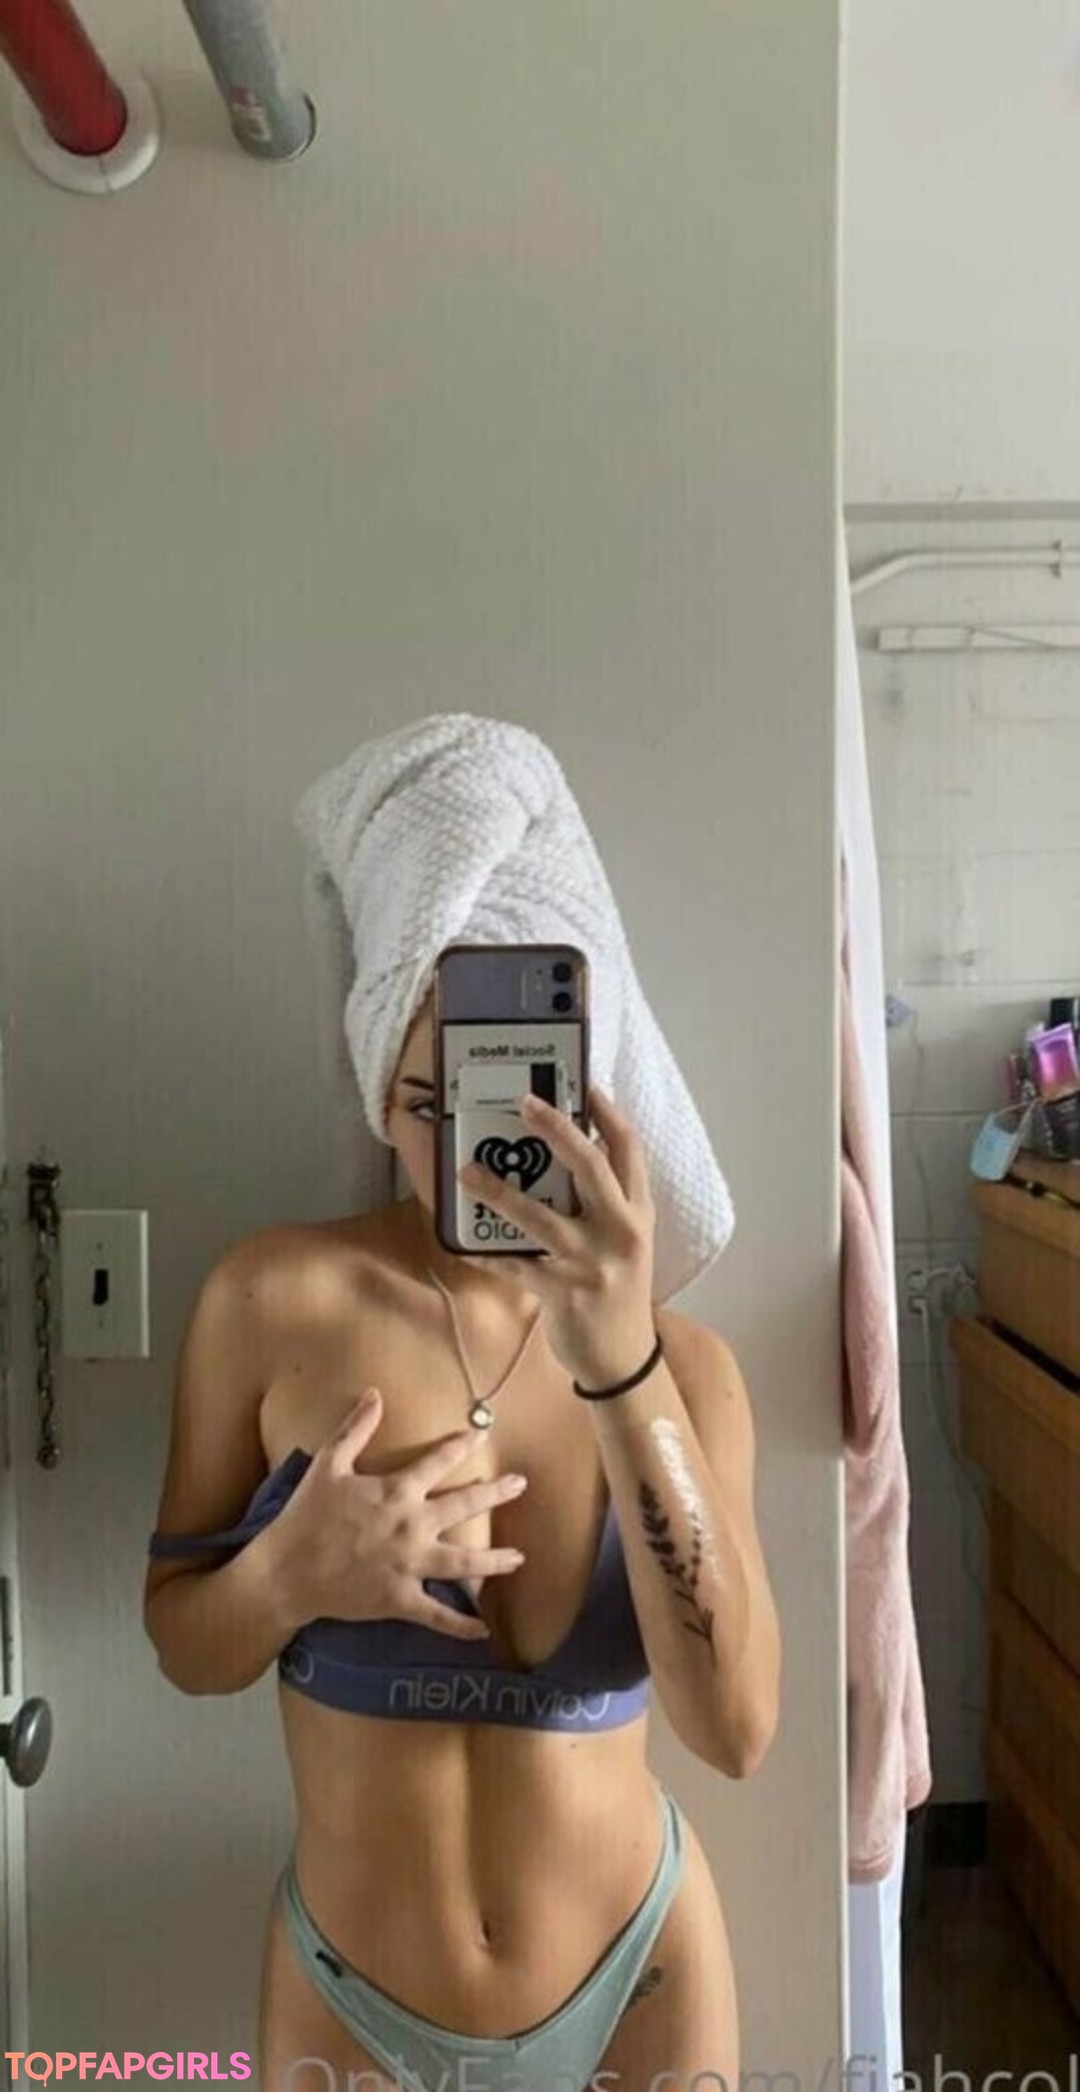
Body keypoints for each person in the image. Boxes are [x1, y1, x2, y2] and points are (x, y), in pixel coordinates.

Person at [145, 980, 781, 2092]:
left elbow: (735, 1733)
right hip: (351, 2005)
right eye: (423, 1104)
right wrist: (287, 1576)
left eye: (503, 1095)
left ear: (584, 1096)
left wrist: (622, 1369)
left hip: (641, 1981)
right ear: (375, 1098)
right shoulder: (271, 1300)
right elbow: (184, 1646)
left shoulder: (687, 1370)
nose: (460, 1153)